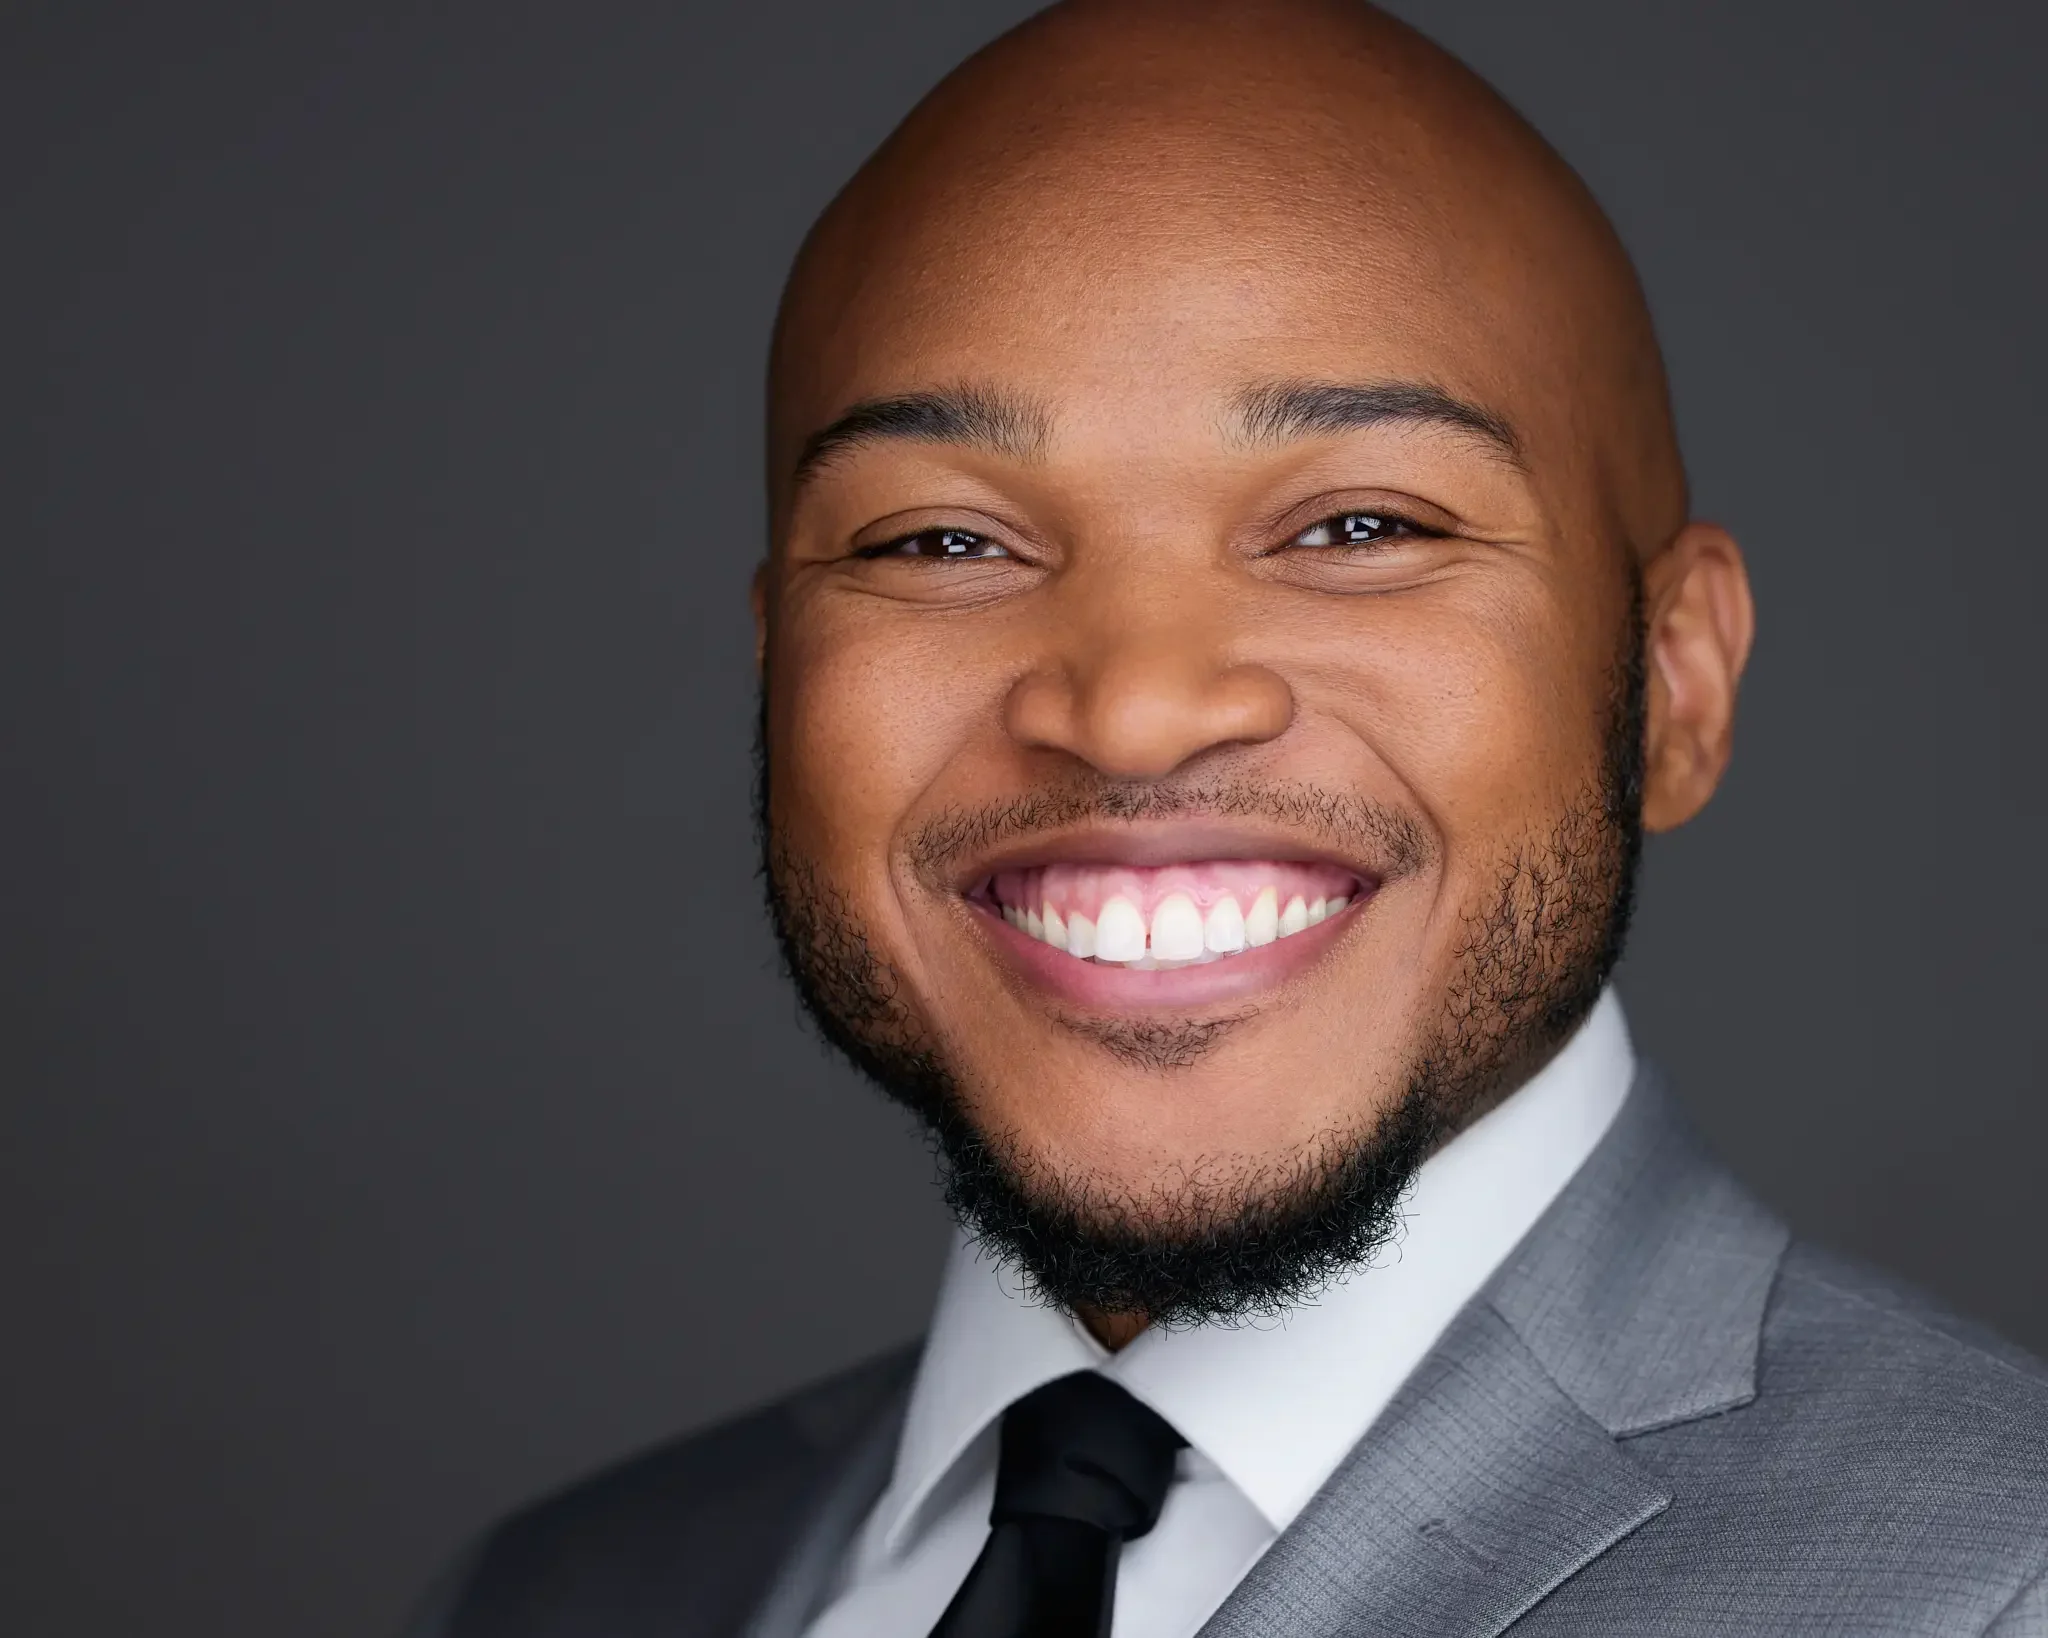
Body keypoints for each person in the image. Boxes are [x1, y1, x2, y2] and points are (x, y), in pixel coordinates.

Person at [410, 1, 2048, 1633]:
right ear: (778, 674)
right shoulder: (557, 1592)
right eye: (940, 542)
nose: (1130, 704)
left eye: (1355, 522)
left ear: (1676, 685)